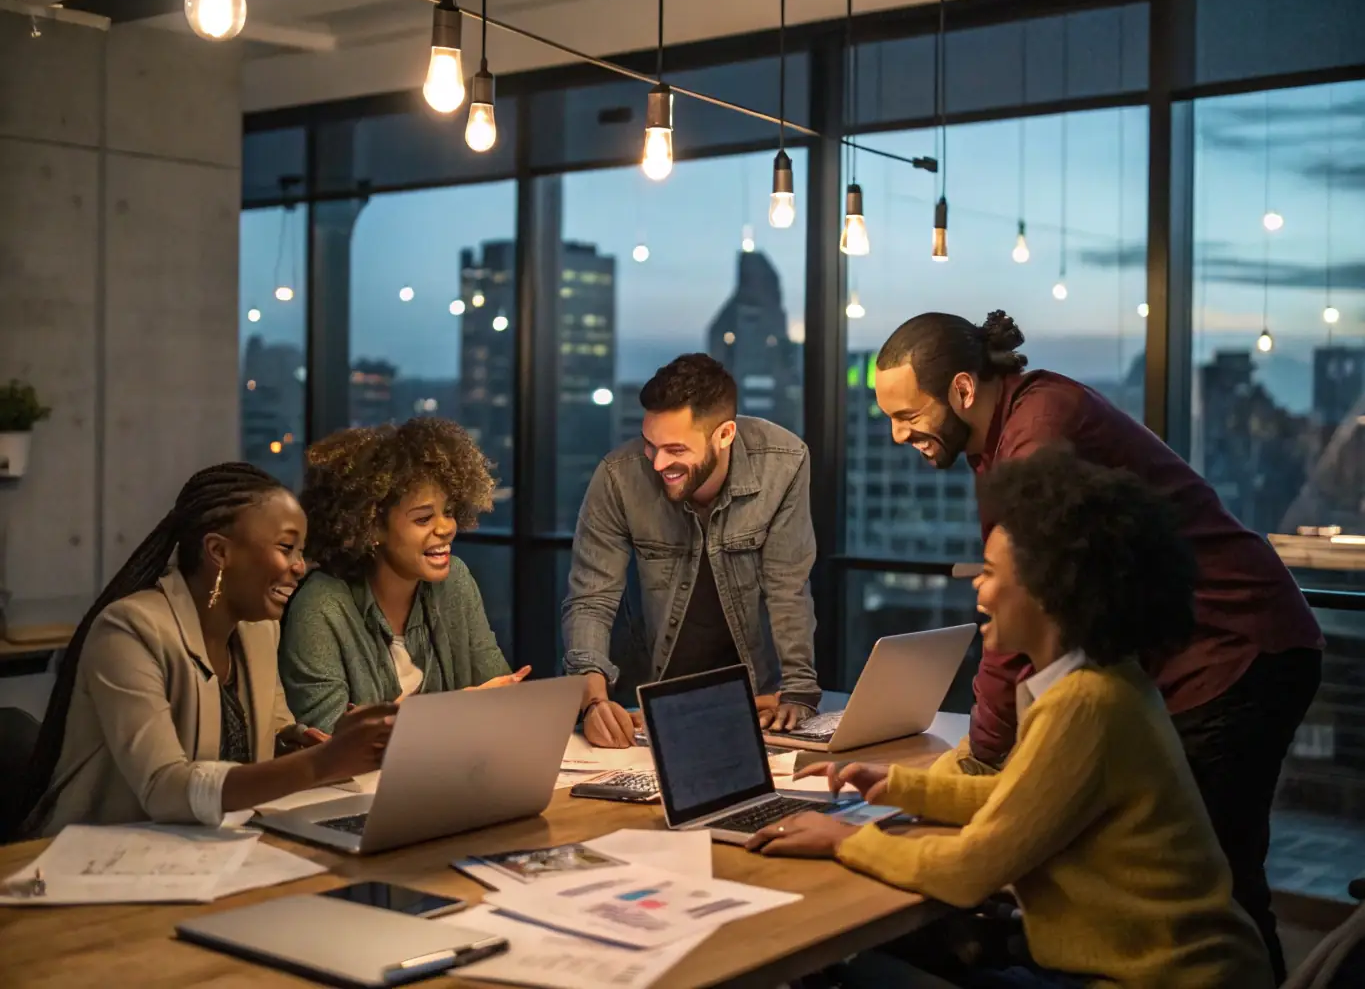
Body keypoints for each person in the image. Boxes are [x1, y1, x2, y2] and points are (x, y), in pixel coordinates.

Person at [869, 310, 1321, 980]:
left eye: (906, 414)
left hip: (1234, 647)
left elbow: (1023, 598)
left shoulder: (1038, 433)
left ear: (962, 389)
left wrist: (984, 755)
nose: (896, 432)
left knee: (1215, 884)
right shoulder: (1005, 429)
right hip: (1194, 648)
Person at [746, 450, 1275, 989]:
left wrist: (843, 840)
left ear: (1049, 588)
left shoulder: (1085, 705)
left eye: (992, 572)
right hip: (1181, 971)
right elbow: (1028, 800)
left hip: (1154, 980)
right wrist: (901, 787)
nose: (978, 586)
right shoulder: (1108, 681)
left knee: (853, 978)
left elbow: (971, 869)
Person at [9, 463, 396, 840]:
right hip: (100, 861)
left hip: (208, 849)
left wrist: (295, 744)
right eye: (286, 548)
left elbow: (267, 734)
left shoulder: (260, 630)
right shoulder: (129, 630)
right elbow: (164, 788)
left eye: (301, 551)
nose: (300, 567)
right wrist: (317, 765)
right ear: (219, 552)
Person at [563, 353, 821, 748]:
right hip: (649, 704)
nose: (658, 462)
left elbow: (788, 586)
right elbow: (591, 600)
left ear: (725, 435)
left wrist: (798, 692)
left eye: (676, 450)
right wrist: (594, 702)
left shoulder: (784, 463)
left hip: (753, 701)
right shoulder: (618, 476)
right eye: (650, 445)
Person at [279, 418, 525, 733]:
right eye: (423, 518)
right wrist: (460, 709)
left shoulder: (455, 581)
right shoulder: (321, 605)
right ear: (372, 526)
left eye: (448, 512)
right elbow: (328, 739)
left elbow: (499, 693)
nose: (446, 528)